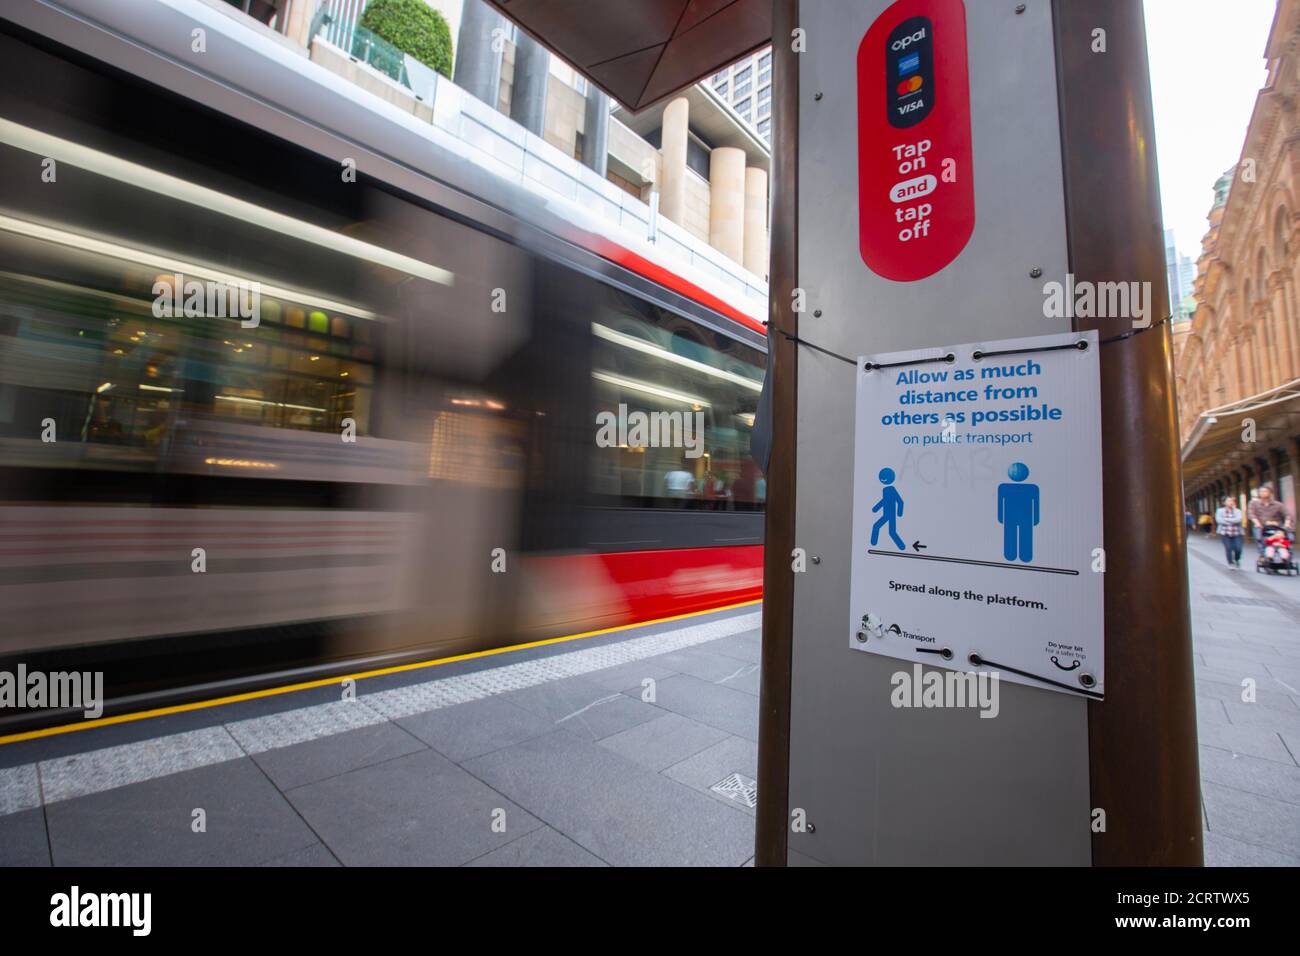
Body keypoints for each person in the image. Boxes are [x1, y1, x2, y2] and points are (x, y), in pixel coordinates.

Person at [1248, 484, 1290, 551]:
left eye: (1265, 491)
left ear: (1270, 493)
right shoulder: (1253, 503)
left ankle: (1286, 552)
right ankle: (1262, 553)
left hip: (1276, 526)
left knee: (1288, 536)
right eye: (1261, 491)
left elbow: (1287, 514)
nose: (1262, 493)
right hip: (1261, 526)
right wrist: (1257, 523)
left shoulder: (1278, 504)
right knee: (1259, 538)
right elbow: (1251, 514)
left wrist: (1287, 524)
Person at [1215, 496, 1245, 568]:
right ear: (1224, 503)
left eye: (1231, 501)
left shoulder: (1238, 511)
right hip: (1225, 533)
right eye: (1228, 501)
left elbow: (1239, 519)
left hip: (1237, 533)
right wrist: (1232, 521)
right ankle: (1230, 563)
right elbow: (1219, 520)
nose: (1230, 502)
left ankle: (1237, 559)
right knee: (1228, 548)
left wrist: (1226, 520)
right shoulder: (1219, 511)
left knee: (1238, 548)